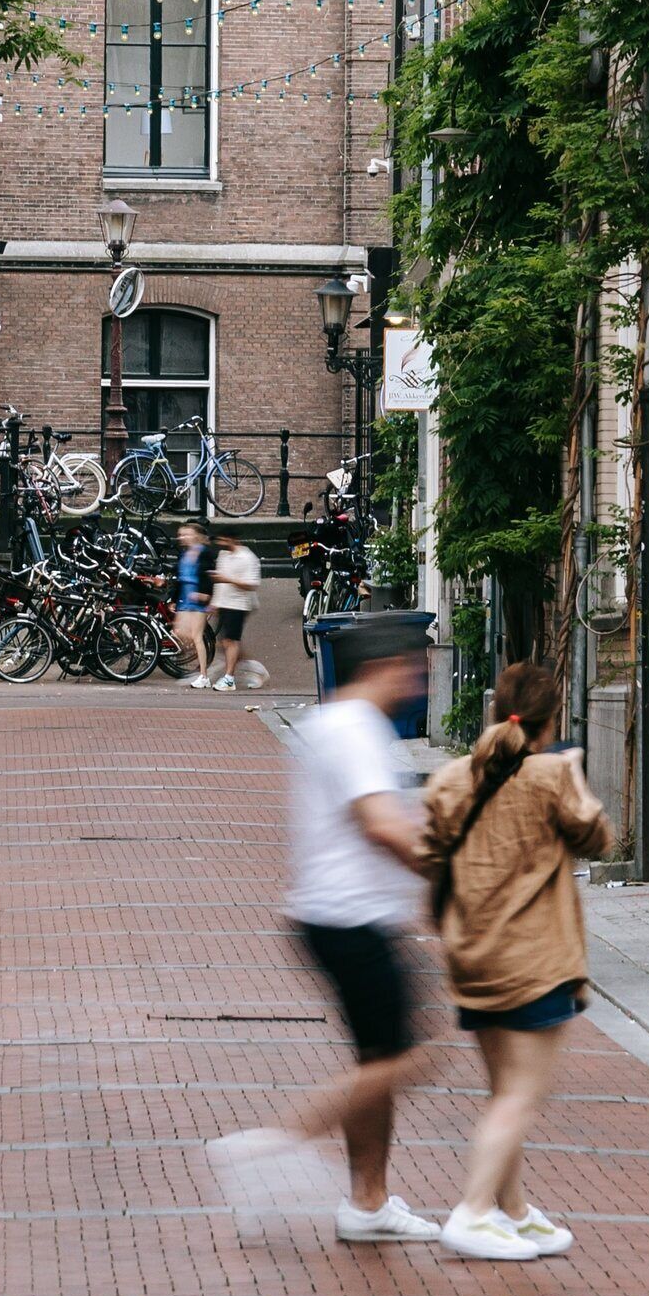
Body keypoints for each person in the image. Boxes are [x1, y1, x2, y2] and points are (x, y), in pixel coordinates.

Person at [205, 633, 444, 1243]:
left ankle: (368, 1203)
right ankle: (274, 1145)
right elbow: (381, 824)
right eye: (412, 673)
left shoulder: (331, 722)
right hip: (350, 918)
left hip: (332, 913)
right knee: (412, 1058)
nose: (416, 686)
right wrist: (452, 873)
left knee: (380, 1058)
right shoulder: (358, 729)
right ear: (384, 667)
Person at [415, 658, 612, 1261]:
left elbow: (426, 856)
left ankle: (514, 1211)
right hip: (534, 960)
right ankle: (473, 1211)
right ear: (552, 723)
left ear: (497, 710)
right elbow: (598, 839)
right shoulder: (551, 776)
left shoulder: (451, 778)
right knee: (522, 1095)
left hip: (473, 956)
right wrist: (573, 776)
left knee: (504, 1090)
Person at [207, 533, 264, 689]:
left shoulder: (247, 558)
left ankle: (229, 678)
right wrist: (216, 603)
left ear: (233, 539)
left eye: (224, 539)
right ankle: (255, 669)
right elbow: (219, 582)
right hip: (224, 602)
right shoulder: (223, 555)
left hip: (239, 604)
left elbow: (252, 584)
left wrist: (228, 579)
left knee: (231, 641)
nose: (221, 543)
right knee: (225, 642)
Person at [171, 521, 219, 687]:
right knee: (178, 632)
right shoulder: (183, 554)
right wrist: (173, 599)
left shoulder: (205, 553)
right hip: (184, 596)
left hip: (198, 598)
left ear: (196, 535)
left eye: (186, 534)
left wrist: (207, 595)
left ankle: (204, 676)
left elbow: (209, 575)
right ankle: (206, 661)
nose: (183, 537)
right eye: (181, 534)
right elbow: (179, 578)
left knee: (197, 636)